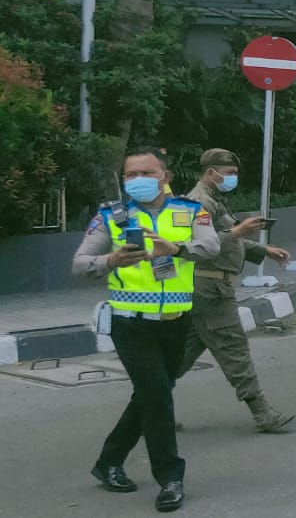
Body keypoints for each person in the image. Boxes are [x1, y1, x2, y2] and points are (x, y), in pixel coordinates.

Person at [74, 147, 221, 512]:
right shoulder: (111, 216)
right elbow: (80, 263)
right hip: (130, 324)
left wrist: (177, 249)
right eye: (131, 174)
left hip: (177, 323)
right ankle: (170, 478)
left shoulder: (190, 211)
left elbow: (211, 246)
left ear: (165, 177)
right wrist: (110, 259)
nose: (138, 180)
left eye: (147, 173)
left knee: (150, 395)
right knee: (157, 396)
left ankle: (109, 461)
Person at [174, 149, 295, 434]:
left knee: (178, 358)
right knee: (233, 348)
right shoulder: (198, 202)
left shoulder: (214, 200)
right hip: (210, 288)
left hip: (209, 287)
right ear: (211, 172)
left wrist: (262, 250)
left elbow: (228, 239)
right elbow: (196, 246)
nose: (233, 179)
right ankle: (262, 413)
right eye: (229, 173)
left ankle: (145, 410)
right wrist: (238, 232)